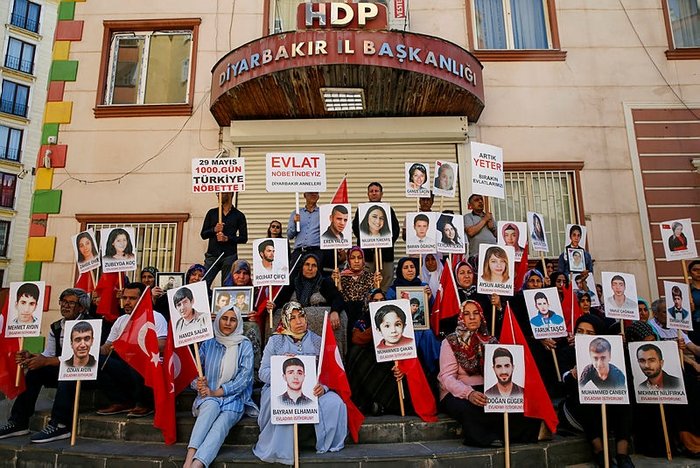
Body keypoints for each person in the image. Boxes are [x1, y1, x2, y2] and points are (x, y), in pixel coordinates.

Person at [253, 302, 347, 464]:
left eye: (301, 316)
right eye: (293, 318)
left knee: (334, 403)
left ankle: (321, 441)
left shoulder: (317, 341)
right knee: (279, 403)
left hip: (312, 389)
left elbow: (328, 371)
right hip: (280, 388)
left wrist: (323, 387)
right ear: (285, 321)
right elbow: (262, 372)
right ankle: (282, 448)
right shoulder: (276, 341)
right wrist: (280, 368)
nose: (299, 321)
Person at [438, 300, 539, 447]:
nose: (472, 317)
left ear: (481, 316)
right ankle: (486, 439)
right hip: (457, 391)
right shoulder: (451, 342)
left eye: (476, 313)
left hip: (486, 388)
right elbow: (447, 377)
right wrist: (469, 393)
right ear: (461, 317)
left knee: (513, 404)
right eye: (466, 314)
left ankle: (520, 435)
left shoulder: (490, 341)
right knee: (470, 410)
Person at [0, 288, 93, 442]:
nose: (65, 306)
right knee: (35, 371)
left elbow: (83, 357)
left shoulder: (92, 324)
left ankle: (60, 425)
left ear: (81, 307)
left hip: (88, 373)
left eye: (71, 303)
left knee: (69, 372)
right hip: (62, 368)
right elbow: (48, 355)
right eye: (63, 302)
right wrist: (32, 357)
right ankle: (18, 421)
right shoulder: (56, 327)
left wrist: (45, 361)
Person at [184, 305, 257, 468]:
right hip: (207, 397)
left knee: (221, 426)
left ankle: (197, 464)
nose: (228, 323)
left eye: (233, 320)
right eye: (224, 318)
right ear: (218, 320)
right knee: (210, 408)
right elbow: (194, 373)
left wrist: (216, 392)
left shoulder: (244, 345)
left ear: (238, 323)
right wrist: (198, 384)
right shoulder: (208, 343)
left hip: (234, 399)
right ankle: (189, 459)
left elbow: (244, 378)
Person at [559, 314, 634, 468]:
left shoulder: (611, 357)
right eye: (580, 331)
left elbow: (623, 380)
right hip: (578, 409)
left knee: (624, 401)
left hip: (609, 410)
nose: (584, 335)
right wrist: (573, 374)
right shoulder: (567, 351)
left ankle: (623, 455)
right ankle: (599, 452)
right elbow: (564, 380)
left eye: (590, 333)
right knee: (588, 399)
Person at [97, 282, 168, 418]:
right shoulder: (121, 320)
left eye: (132, 298)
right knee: (95, 361)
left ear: (143, 299)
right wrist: (90, 350)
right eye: (125, 298)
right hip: (125, 366)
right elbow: (107, 347)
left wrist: (132, 346)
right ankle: (121, 402)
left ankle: (145, 404)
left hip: (150, 367)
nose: (127, 302)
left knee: (136, 358)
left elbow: (162, 345)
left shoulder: (155, 317)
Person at [273, 253, 345, 346]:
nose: (310, 268)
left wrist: (335, 311)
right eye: (307, 264)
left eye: (314, 265)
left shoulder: (324, 282)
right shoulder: (292, 283)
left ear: (318, 268)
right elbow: (280, 300)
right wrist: (273, 305)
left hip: (319, 328)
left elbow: (337, 298)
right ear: (302, 266)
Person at [352, 182, 401, 291]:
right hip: (367, 254)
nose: (374, 193)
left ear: (381, 194)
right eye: (371, 191)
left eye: (376, 191)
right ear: (368, 194)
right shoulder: (361, 210)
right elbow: (355, 228)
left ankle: (382, 298)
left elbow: (396, 229)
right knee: (366, 279)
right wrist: (367, 240)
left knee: (386, 278)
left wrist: (386, 242)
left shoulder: (388, 210)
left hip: (385, 254)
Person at [331, 246, 381, 345]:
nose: (356, 261)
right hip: (348, 318)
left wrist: (376, 285)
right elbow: (341, 299)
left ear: (363, 260)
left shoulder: (371, 277)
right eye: (353, 258)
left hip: (365, 320)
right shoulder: (341, 277)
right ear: (348, 260)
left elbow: (372, 300)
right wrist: (338, 284)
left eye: (359, 257)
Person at [200, 192, 248, 288]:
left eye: (222, 193)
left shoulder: (239, 215)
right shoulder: (212, 213)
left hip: (229, 256)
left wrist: (227, 238)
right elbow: (203, 234)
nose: (219, 195)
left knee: (227, 286)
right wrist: (214, 229)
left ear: (230, 193)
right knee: (203, 283)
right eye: (218, 193)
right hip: (212, 255)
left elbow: (244, 238)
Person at [287, 191, 321, 273]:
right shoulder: (296, 213)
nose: (313, 195)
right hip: (299, 251)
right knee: (293, 276)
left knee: (316, 276)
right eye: (310, 193)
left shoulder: (323, 213)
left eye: (316, 193)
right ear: (305, 195)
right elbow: (290, 235)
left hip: (316, 251)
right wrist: (295, 223)